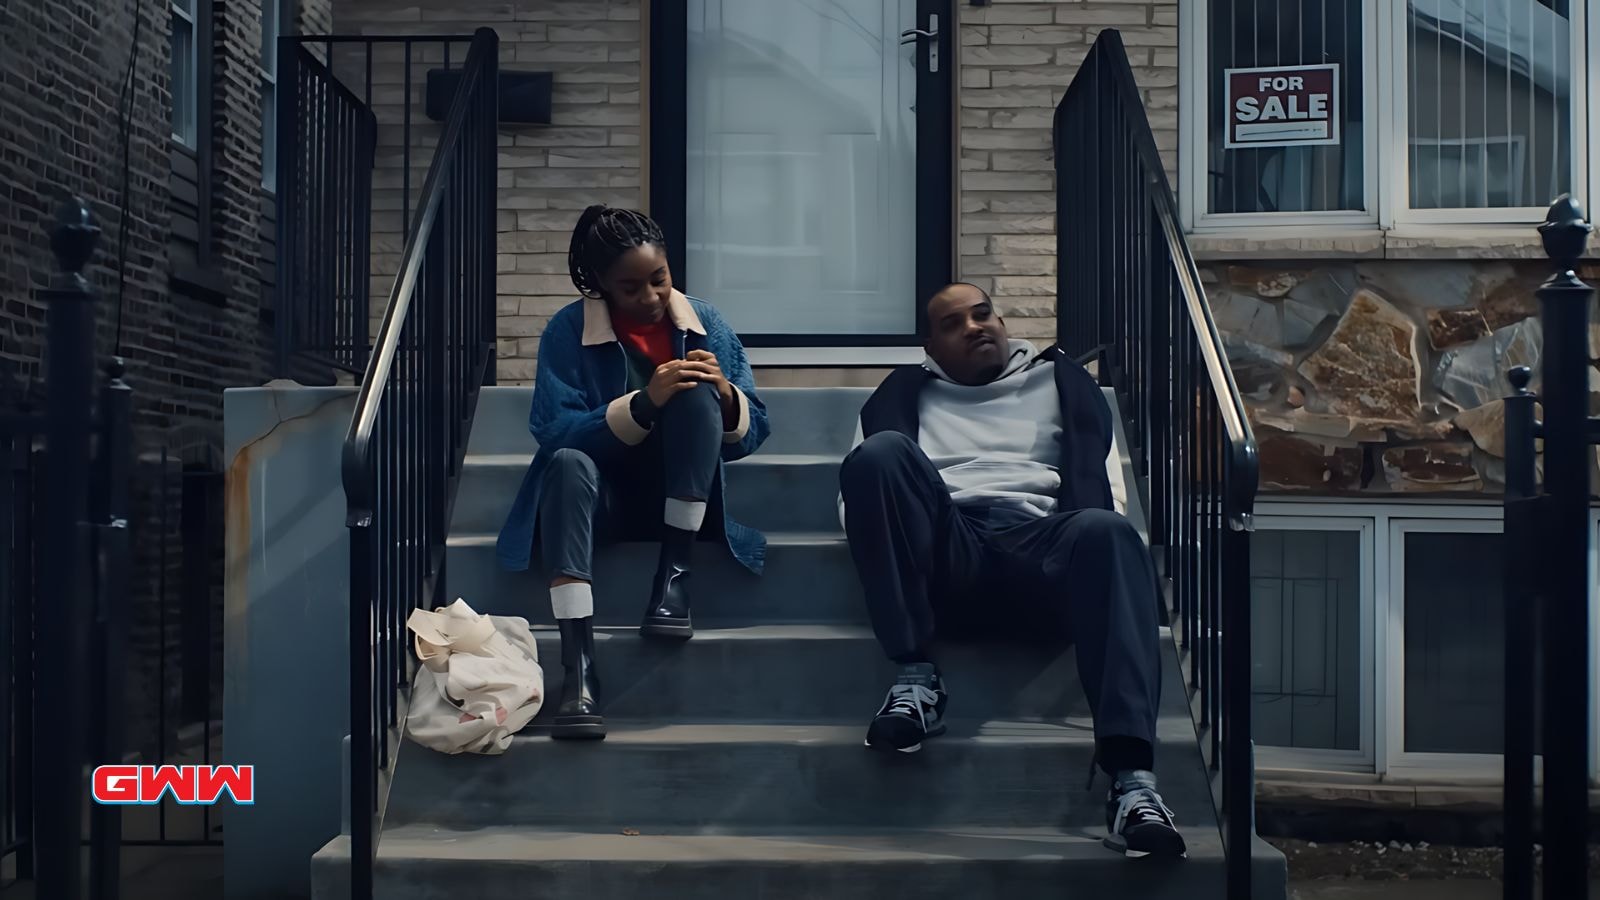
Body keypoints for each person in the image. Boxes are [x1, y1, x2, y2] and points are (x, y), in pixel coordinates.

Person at [836, 282, 1184, 859]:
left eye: (983, 313)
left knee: (1109, 531)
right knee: (878, 455)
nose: (975, 327)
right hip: (949, 543)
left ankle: (1132, 786)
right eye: (954, 323)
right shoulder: (899, 395)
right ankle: (916, 682)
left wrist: (1086, 544)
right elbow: (859, 503)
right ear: (930, 346)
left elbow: (1106, 495)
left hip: (1042, 541)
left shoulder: (1064, 382)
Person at [496, 204, 770, 740]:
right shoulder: (567, 330)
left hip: (681, 500)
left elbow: (754, 430)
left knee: (697, 397)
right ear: (600, 285)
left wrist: (723, 397)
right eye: (630, 287)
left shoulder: (706, 323)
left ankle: (674, 580)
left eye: (659, 280)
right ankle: (578, 670)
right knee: (570, 463)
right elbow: (553, 431)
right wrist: (643, 404)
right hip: (600, 505)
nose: (649, 298)